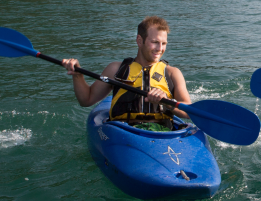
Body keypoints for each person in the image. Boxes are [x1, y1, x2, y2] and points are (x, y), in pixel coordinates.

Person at [61, 16, 192, 130]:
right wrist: (78, 75)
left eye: (164, 43)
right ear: (139, 41)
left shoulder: (172, 73)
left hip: (161, 133)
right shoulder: (116, 70)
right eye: (155, 42)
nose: (160, 49)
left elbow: (188, 112)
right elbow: (86, 100)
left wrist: (167, 102)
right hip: (123, 131)